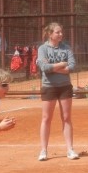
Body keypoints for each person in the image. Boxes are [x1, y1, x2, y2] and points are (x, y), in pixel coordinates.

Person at [36, 22, 78, 160]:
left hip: (65, 86)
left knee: (66, 118)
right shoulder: (42, 49)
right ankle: (43, 151)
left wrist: (54, 68)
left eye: (61, 32)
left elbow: (72, 66)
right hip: (49, 86)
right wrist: (61, 64)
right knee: (46, 118)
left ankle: (70, 149)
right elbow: (44, 68)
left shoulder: (66, 48)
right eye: (57, 32)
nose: (61, 34)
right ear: (50, 34)